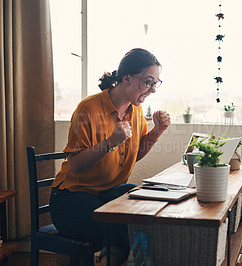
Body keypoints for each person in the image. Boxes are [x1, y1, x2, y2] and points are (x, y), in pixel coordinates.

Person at [49, 48, 170, 266]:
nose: (152, 90)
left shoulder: (136, 110)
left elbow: (134, 155)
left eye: (156, 83)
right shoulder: (89, 108)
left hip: (105, 195)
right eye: (148, 82)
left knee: (139, 201)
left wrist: (156, 132)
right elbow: (75, 165)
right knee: (121, 225)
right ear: (127, 78)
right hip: (70, 199)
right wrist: (109, 143)